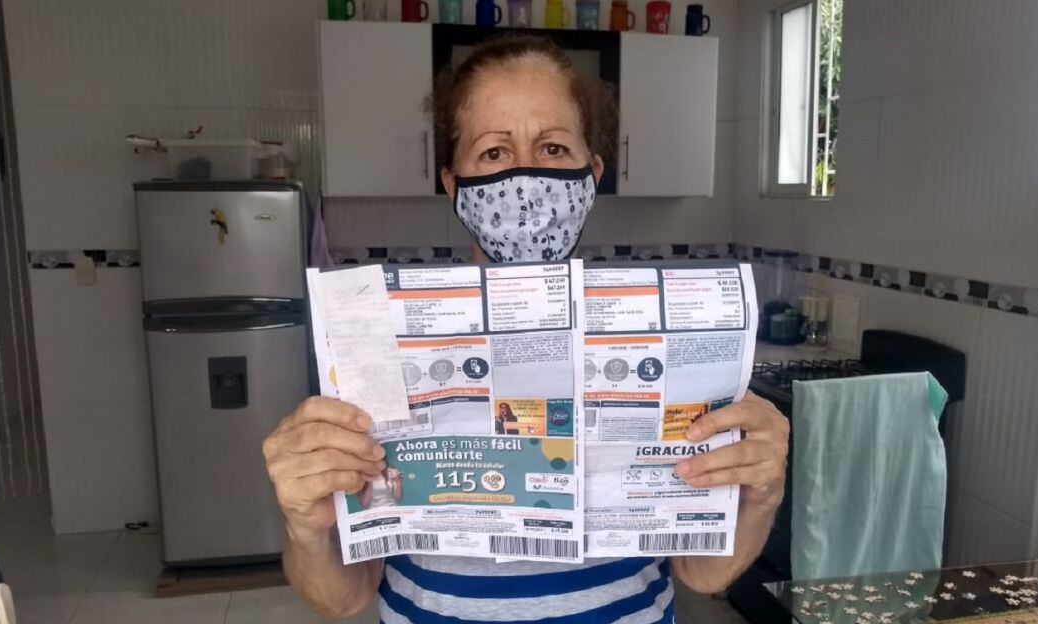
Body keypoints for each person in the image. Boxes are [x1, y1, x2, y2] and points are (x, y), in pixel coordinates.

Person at [262, 35, 790, 622]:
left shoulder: (659, 344)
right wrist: (306, 526)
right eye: (494, 152)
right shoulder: (383, 340)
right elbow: (342, 596)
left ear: (592, 173)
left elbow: (704, 573)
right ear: (452, 182)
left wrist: (761, 495)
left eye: (553, 148)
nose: (524, 179)